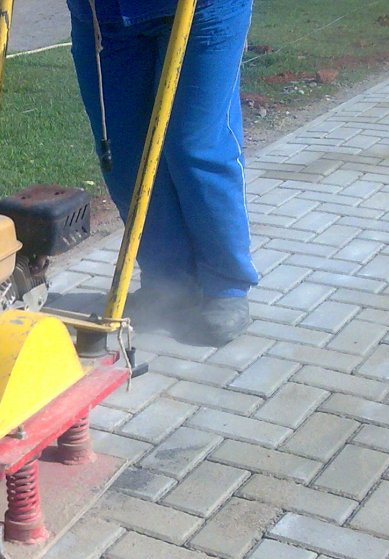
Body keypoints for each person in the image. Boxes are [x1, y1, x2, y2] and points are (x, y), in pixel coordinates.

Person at [67, 0, 258, 346]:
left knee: (194, 147)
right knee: (126, 156)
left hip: (200, 9)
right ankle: (168, 283)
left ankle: (225, 286)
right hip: (102, 16)